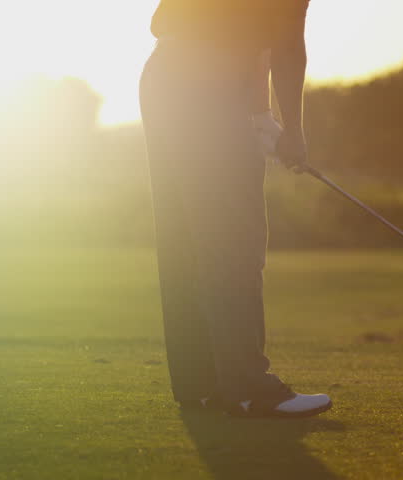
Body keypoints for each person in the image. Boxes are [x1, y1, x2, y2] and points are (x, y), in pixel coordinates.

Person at [139, 0, 331, 418]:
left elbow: (252, 38)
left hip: (165, 75)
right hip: (211, 83)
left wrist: (260, 114)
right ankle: (247, 387)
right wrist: (293, 130)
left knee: (187, 239)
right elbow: (284, 43)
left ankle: (201, 386)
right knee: (233, 241)